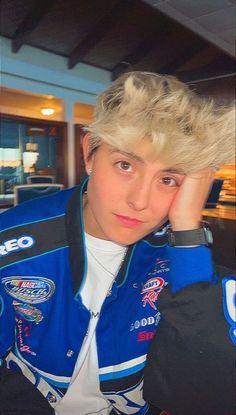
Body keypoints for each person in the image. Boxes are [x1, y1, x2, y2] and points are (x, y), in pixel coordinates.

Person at [0, 71, 234, 415]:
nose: (140, 201)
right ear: (90, 153)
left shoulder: (185, 250)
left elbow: (204, 385)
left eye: (168, 179)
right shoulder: (12, 240)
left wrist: (186, 230)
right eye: (125, 165)